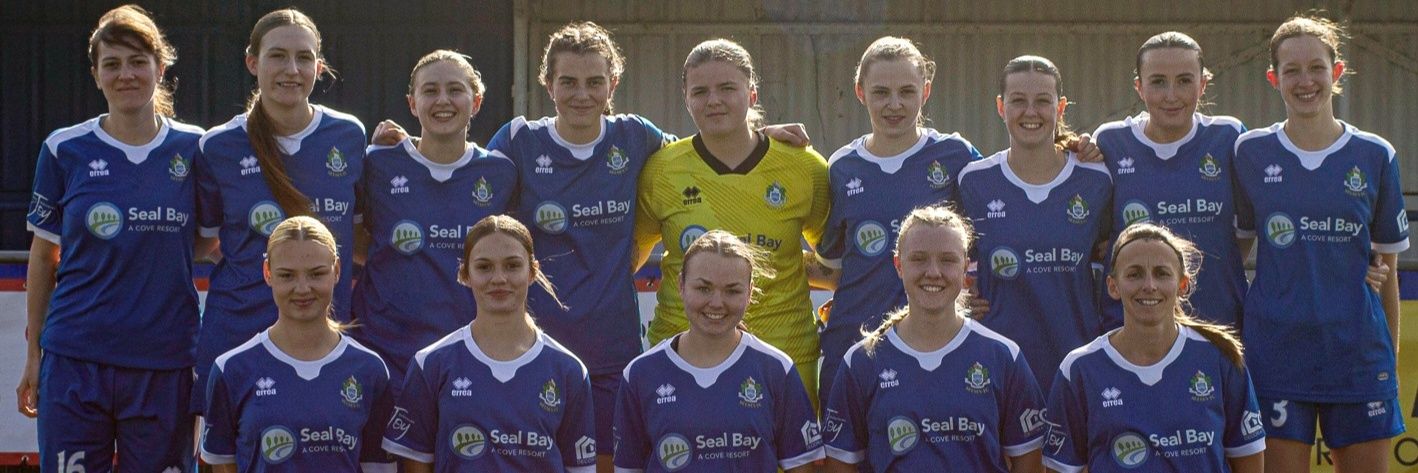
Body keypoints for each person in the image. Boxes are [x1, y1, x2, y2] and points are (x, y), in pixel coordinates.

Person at [17, 6, 206, 472]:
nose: (126, 75)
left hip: (165, 362)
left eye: (138, 62)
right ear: (96, 74)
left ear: (161, 67)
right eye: (112, 64)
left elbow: (210, 242)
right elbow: (42, 258)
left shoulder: (196, 148)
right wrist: (33, 354)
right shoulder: (64, 149)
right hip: (75, 360)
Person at [1233, 15, 1407, 473]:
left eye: (1316, 68)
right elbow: (1234, 255)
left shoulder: (1375, 154)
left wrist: (1385, 362)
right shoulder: (1250, 152)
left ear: (1338, 72)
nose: (1305, 81)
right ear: (1274, 78)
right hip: (1276, 354)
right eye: (1291, 70)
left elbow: (1388, 273)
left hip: (1357, 356)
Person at [635, 38, 831, 408]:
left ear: (752, 94)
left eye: (727, 88)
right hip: (681, 354)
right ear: (686, 99)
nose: (714, 100)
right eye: (700, 91)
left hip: (785, 351)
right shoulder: (661, 170)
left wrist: (779, 263)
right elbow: (632, 258)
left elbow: (834, 264)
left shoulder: (805, 168)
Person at [193, 8, 366, 414]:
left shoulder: (349, 135)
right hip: (237, 333)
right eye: (277, 56)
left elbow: (359, 238)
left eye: (304, 57)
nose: (292, 69)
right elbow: (204, 242)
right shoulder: (217, 146)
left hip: (325, 339)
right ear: (252, 63)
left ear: (319, 67)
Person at [813, 37, 983, 406]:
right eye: (881, 92)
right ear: (860, 92)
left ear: (926, 91)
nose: (894, 104)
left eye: (907, 91)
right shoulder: (841, 167)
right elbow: (832, 267)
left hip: (935, 345)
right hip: (854, 341)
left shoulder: (957, 156)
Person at [823, 205, 1045, 472]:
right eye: (918, 259)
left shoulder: (1003, 356)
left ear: (965, 268)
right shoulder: (862, 361)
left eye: (947, 260)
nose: (933, 272)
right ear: (898, 265)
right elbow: (840, 464)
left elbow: (1029, 462)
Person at [382, 215, 596, 473]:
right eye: (484, 267)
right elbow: (416, 462)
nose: (499, 278)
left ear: (532, 271)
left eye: (512, 265)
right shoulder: (431, 363)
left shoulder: (569, 370)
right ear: (465, 274)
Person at [354, 50, 515, 392]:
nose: (443, 100)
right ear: (412, 104)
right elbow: (354, 238)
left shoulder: (500, 173)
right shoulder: (376, 165)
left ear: (476, 102)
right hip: (385, 353)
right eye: (430, 91)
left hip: (469, 357)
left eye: (455, 90)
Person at [1043, 223, 1265, 472]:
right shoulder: (1079, 369)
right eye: (1134, 274)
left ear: (1183, 285)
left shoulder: (1220, 358)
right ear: (1113, 286)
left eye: (1161, 273)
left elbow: (1249, 461)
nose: (1149, 285)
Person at [957, 55, 1112, 394]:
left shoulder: (1096, 179)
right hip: (999, 370)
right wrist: (960, 298)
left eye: (1042, 101)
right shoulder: (973, 181)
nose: (1031, 112)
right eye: (1018, 101)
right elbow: (952, 259)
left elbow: (1113, 259)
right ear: (1001, 107)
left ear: (1060, 107)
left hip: (1077, 365)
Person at [614, 230, 823, 472]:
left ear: (750, 292)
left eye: (732, 291)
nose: (716, 303)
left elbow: (802, 467)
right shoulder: (641, 374)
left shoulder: (776, 369)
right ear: (681, 285)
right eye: (704, 288)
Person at [200, 216, 393, 472]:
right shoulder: (231, 369)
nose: (302, 288)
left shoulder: (369, 370)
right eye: (287, 275)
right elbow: (223, 464)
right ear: (268, 273)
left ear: (336, 270)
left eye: (316, 274)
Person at [1091, 32, 1248, 329]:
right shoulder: (1110, 142)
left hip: (1218, 322)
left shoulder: (1229, 137)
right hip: (1131, 328)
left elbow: (1247, 231)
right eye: (1158, 82)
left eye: (1184, 81)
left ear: (1203, 84)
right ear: (1139, 87)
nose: (1171, 95)